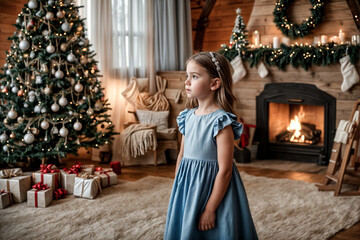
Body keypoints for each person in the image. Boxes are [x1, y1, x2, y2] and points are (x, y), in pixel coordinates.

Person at [164, 52, 258, 240]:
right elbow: (181, 155)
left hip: (214, 188)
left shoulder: (221, 122)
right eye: (187, 76)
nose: (187, 82)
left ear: (214, 84)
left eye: (195, 76)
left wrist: (210, 208)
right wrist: (178, 187)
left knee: (216, 230)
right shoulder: (186, 117)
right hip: (188, 187)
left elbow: (225, 170)